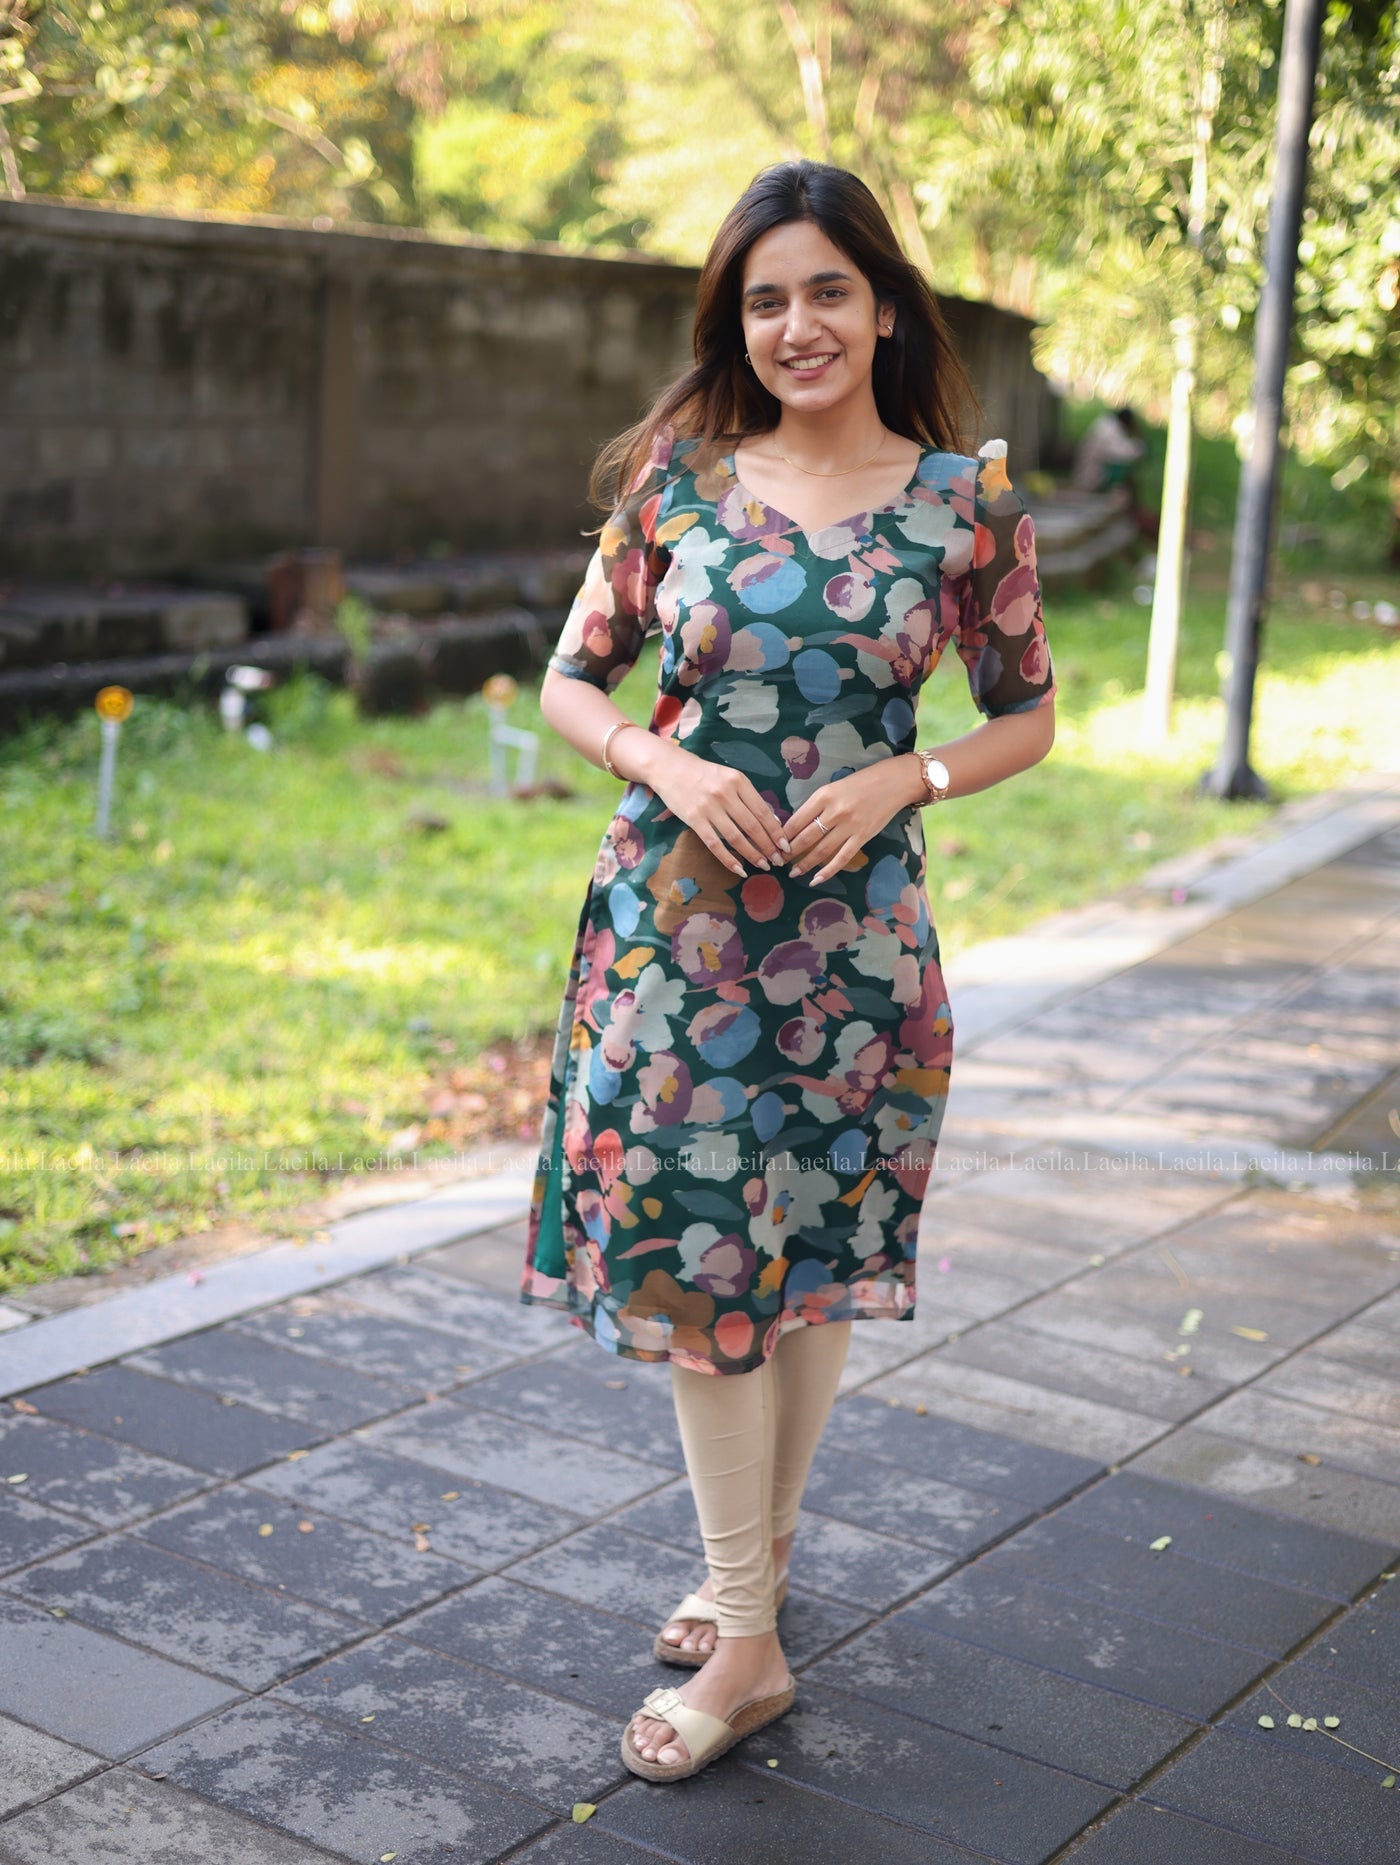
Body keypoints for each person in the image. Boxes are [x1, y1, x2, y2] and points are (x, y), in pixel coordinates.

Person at [520, 157, 1056, 1784]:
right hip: (675, 946)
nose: (798, 324)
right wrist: (665, 762)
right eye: (766, 299)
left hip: (852, 950)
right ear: (734, 324)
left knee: (811, 1252)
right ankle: (747, 1622)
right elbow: (569, 682)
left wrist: (912, 776)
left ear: (885, 307)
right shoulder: (677, 486)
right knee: (703, 1269)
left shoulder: (967, 502)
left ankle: (745, 1592)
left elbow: (1029, 711)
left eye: (829, 289)